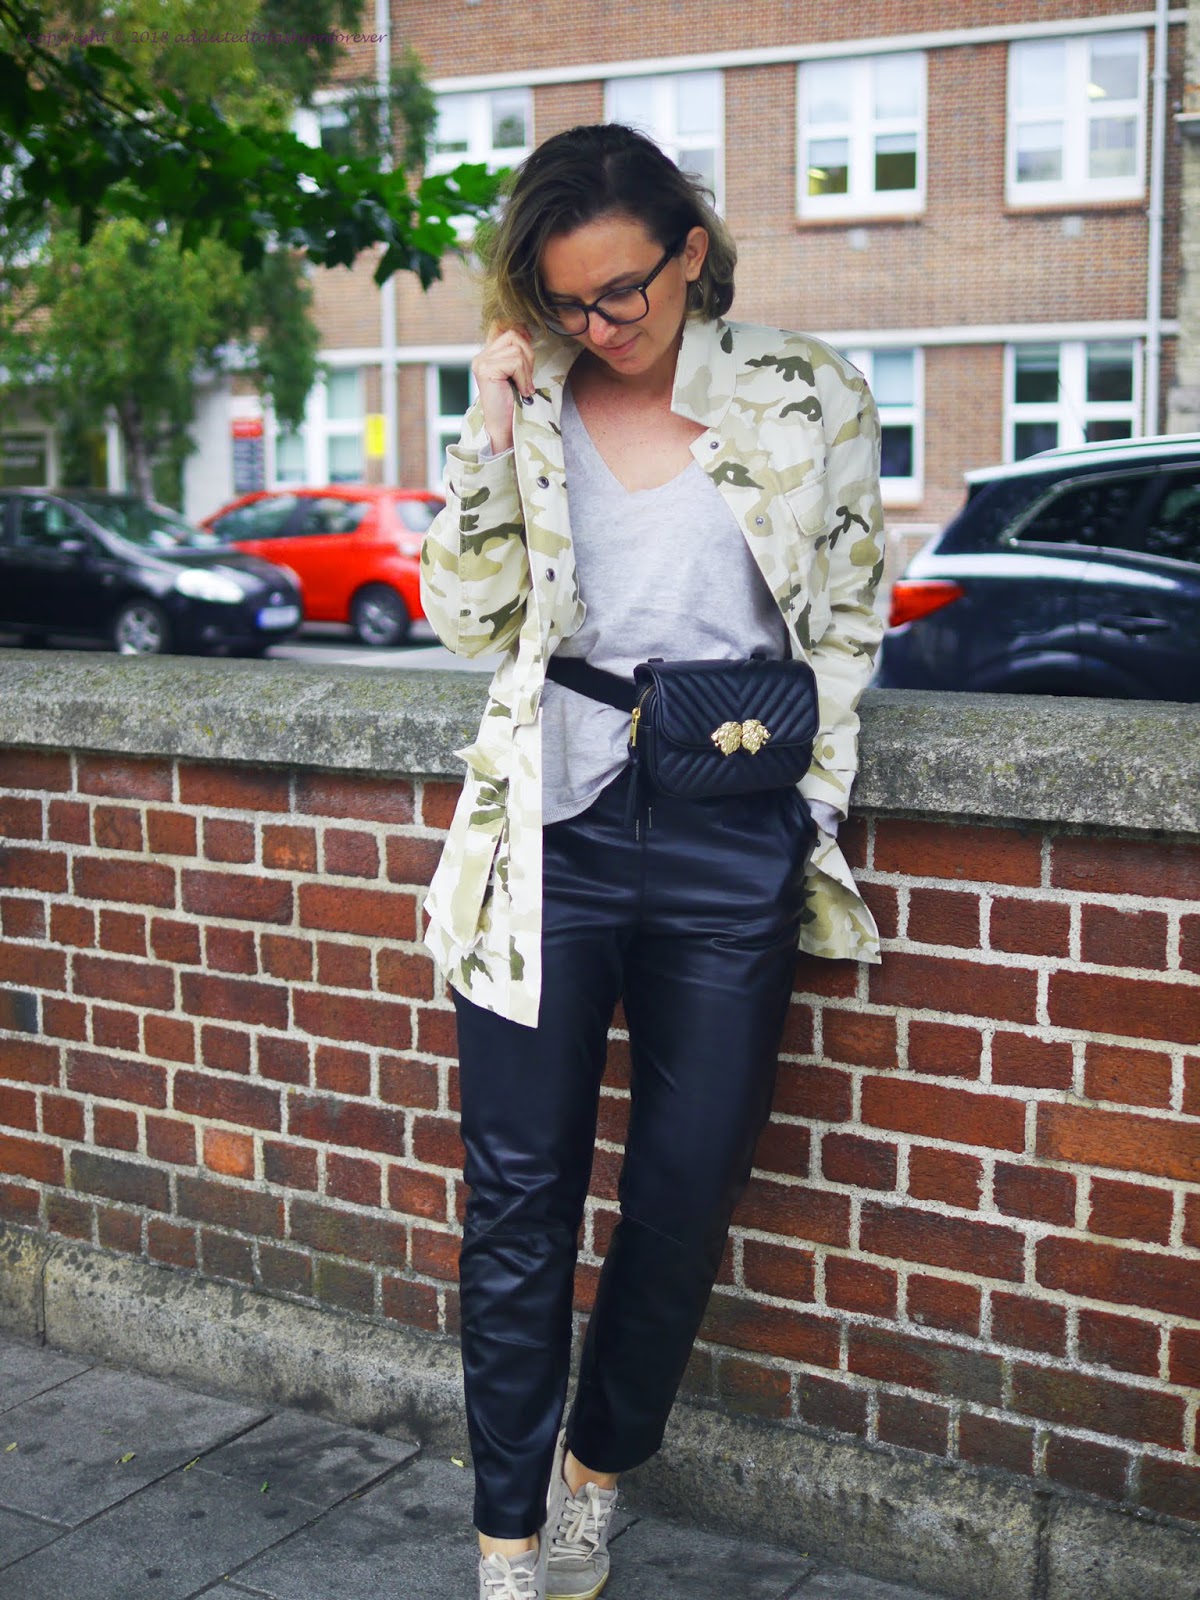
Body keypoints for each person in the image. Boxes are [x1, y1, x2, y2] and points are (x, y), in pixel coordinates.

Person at [420, 122, 885, 1600]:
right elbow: (466, 620)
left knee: (684, 1193)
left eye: (624, 290)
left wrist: (807, 817)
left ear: (691, 253)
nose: (601, 324)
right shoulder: (534, 398)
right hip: (545, 835)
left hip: (729, 828)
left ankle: (593, 1475)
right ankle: (506, 1544)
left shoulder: (807, 391)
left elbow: (848, 624)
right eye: (567, 300)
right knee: (518, 1201)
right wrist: (490, 424)